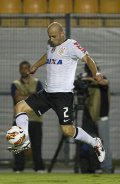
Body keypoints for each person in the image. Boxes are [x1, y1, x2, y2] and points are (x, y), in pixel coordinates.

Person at [7, 22, 105, 164]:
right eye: (49, 37)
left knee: (67, 131)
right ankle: (24, 141)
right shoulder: (51, 43)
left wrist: (96, 72)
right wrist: (35, 65)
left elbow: (88, 58)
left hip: (63, 96)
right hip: (47, 93)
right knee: (19, 107)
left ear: (61, 34)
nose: (51, 40)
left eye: (53, 37)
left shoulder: (71, 45)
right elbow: (47, 56)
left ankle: (95, 142)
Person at [11, 61, 45, 173]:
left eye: (26, 68)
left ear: (30, 69)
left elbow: (39, 100)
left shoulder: (37, 82)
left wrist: (23, 96)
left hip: (35, 119)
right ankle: (18, 168)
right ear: (19, 70)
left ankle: (39, 168)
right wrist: (32, 95)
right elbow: (17, 99)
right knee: (18, 145)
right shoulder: (15, 84)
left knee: (36, 145)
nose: (24, 70)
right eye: (22, 68)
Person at [83, 65, 113, 173]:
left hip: (101, 116)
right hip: (91, 117)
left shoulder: (101, 78)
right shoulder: (88, 82)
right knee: (94, 143)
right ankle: (96, 166)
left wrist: (91, 79)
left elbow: (104, 82)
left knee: (105, 144)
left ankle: (107, 167)